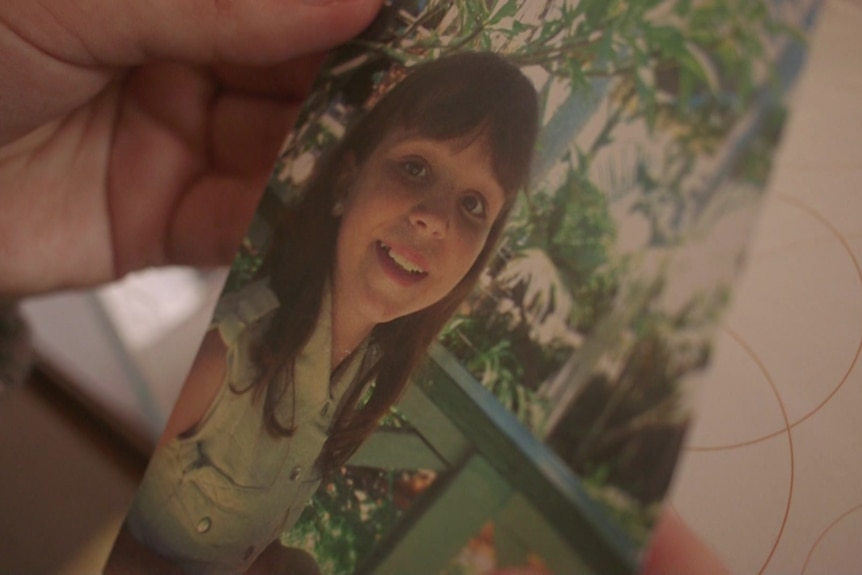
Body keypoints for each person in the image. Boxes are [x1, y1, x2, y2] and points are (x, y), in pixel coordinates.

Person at [0, 1, 729, 574]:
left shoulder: (353, 386)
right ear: (349, 177)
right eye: (415, 168)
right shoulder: (223, 358)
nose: (434, 219)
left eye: (474, 206)